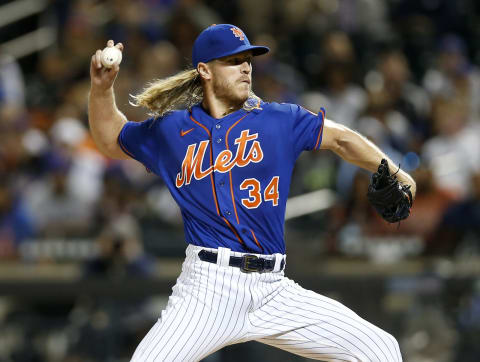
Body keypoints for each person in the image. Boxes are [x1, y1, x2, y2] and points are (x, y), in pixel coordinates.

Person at [89, 24, 416, 362]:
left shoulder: (279, 119)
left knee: (380, 349)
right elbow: (112, 139)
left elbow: (341, 138)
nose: (245, 67)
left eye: (248, 59)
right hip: (207, 289)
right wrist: (102, 89)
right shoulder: (172, 130)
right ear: (205, 70)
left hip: (274, 289)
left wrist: (396, 170)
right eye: (233, 60)